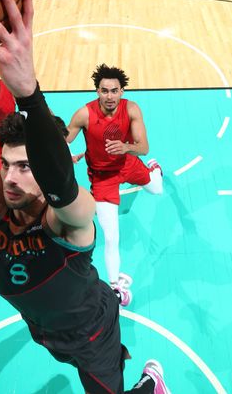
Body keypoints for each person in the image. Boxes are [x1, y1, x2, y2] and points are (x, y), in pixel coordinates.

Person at [0, 0, 170, 394]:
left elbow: (62, 187)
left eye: (26, 167)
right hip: (44, 331)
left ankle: (151, 384)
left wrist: (28, 95)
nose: (12, 177)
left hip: (91, 332)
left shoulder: (69, 220)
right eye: (9, 165)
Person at [65, 64, 163, 307]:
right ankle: (115, 287)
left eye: (114, 91)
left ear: (122, 91)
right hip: (102, 177)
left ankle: (155, 170)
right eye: (104, 91)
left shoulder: (131, 109)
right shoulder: (84, 114)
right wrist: (66, 154)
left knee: (157, 189)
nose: (109, 96)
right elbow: (63, 139)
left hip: (128, 163)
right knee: (110, 237)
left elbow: (143, 146)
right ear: (97, 91)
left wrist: (126, 147)